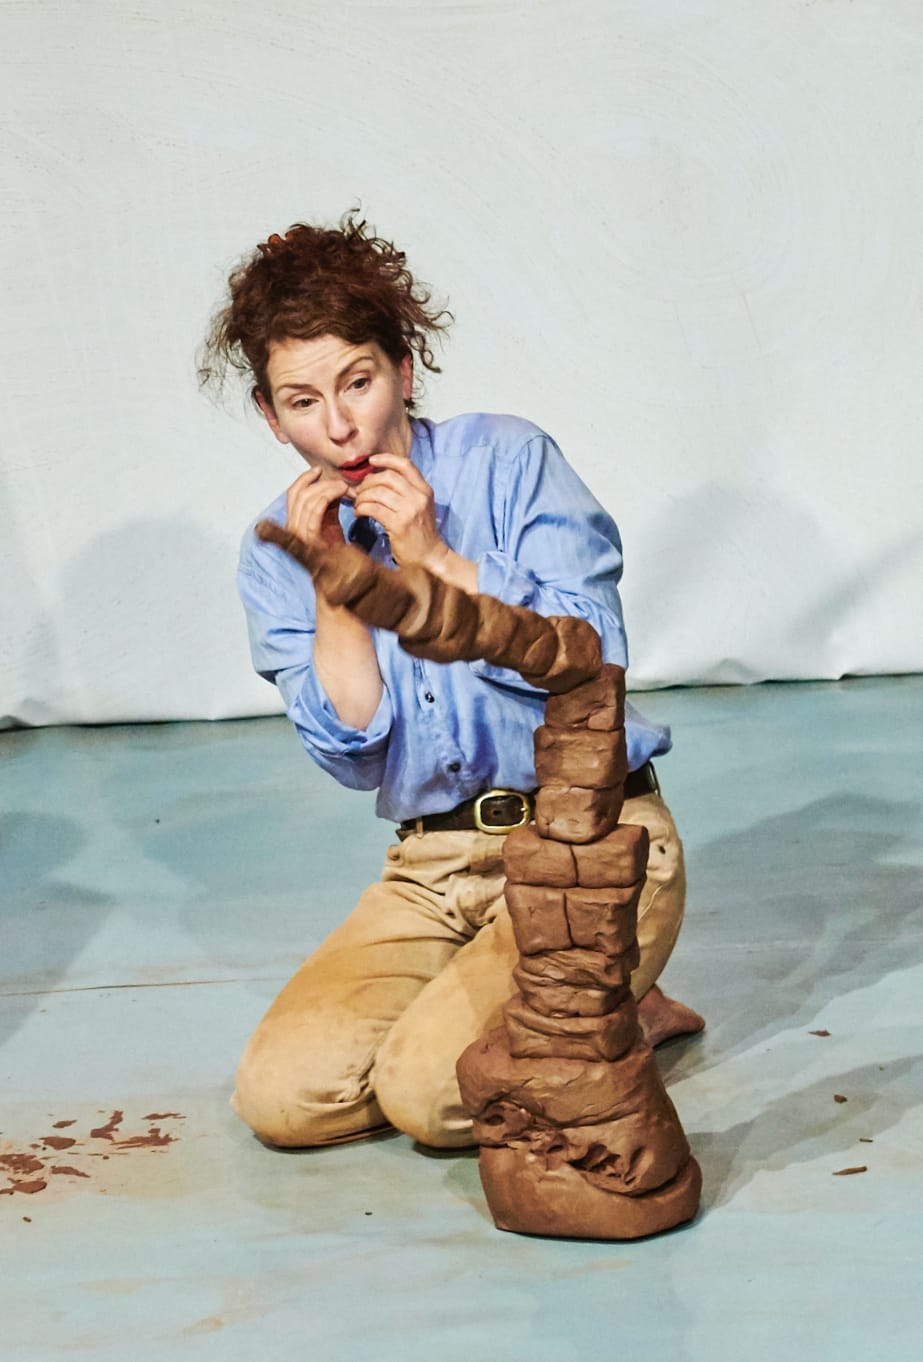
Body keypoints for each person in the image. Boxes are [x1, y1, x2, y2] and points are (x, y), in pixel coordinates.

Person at [200, 212, 704, 1151]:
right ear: (271, 417)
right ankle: (570, 1007)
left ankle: (617, 1009)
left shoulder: (508, 460)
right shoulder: (276, 549)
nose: (340, 425)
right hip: (432, 867)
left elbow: (592, 657)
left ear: (403, 368)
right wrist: (338, 594)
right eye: (302, 402)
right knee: (284, 1101)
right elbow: (353, 755)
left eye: (358, 381)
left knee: (433, 1100)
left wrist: (432, 558)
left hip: (591, 842)